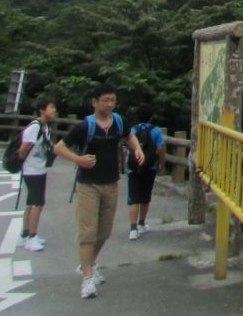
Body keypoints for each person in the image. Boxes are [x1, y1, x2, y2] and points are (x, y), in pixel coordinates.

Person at [53, 82, 144, 300]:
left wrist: (137, 148)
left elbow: (129, 135)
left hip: (111, 183)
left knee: (104, 232)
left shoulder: (118, 121)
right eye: (105, 100)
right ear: (94, 102)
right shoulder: (85, 126)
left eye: (113, 100)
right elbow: (58, 147)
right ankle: (87, 278)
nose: (110, 104)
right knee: (87, 233)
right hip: (88, 185)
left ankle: (89, 264)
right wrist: (78, 160)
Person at [16, 97, 57, 252]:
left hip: (38, 169)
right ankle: (32, 238)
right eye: (51, 107)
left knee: (31, 202)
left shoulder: (46, 128)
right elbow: (22, 149)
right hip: (32, 170)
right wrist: (25, 162)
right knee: (38, 203)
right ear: (42, 110)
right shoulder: (35, 127)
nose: (54, 110)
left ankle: (25, 235)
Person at [126, 103, 166, 240]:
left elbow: (125, 149)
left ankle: (133, 229)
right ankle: (141, 224)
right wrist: (161, 163)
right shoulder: (156, 130)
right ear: (151, 116)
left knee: (133, 197)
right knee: (145, 195)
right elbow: (160, 149)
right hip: (150, 166)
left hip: (133, 166)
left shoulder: (132, 130)